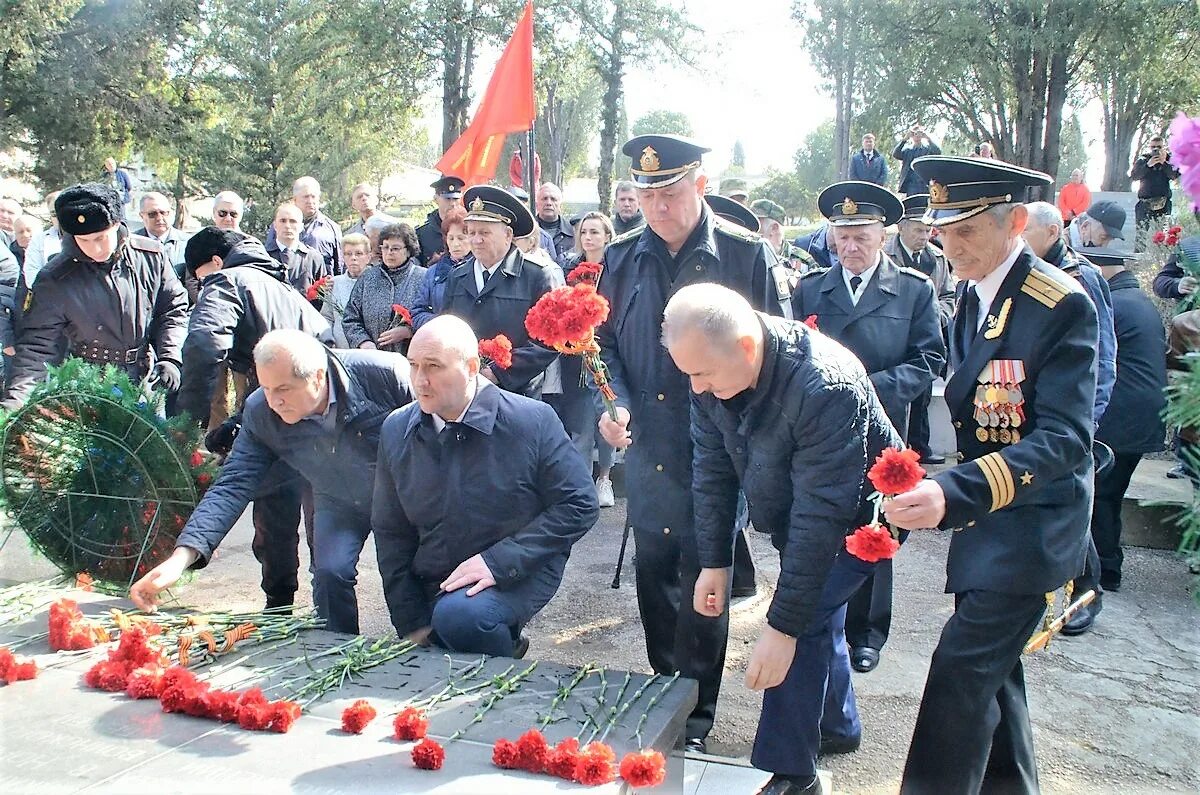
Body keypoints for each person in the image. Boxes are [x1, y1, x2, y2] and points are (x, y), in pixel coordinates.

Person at [882, 156, 1097, 794]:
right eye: (943, 229)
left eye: (966, 230)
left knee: (961, 673)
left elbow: (1066, 438)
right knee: (996, 675)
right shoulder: (973, 295)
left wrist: (954, 490)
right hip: (988, 521)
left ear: (1017, 223)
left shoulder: (1059, 305)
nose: (949, 245)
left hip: (1031, 525)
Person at [596, 133, 791, 753]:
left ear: (700, 186)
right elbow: (601, 344)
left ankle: (697, 716)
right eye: (647, 194)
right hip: (649, 443)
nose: (658, 206)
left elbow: (777, 350)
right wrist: (615, 401)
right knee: (656, 577)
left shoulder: (743, 255)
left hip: (719, 448)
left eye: (671, 192)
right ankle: (666, 688)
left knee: (705, 573)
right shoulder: (623, 257)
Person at [673, 284, 901, 795]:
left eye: (703, 374)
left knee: (804, 620)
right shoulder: (710, 372)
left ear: (747, 348)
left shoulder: (825, 385)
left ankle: (792, 771)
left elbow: (823, 517)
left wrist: (780, 628)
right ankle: (838, 726)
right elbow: (711, 469)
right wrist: (715, 559)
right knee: (818, 615)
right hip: (795, 507)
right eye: (688, 373)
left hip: (861, 516)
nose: (697, 388)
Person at [130, 330, 414, 633]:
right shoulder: (260, 410)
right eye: (266, 388)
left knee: (406, 580)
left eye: (283, 389)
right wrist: (181, 558)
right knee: (330, 573)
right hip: (337, 499)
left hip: (400, 498)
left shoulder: (386, 376)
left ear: (318, 378)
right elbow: (233, 483)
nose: (274, 401)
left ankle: (420, 657)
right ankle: (336, 650)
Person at [373, 316, 597, 656]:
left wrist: (498, 561)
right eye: (414, 365)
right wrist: (411, 623)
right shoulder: (396, 428)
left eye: (434, 367)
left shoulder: (531, 421)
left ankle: (506, 662)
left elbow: (579, 504)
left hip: (518, 565)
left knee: (461, 618)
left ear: (472, 366)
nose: (420, 380)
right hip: (435, 567)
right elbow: (391, 530)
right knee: (434, 641)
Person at [793, 182, 944, 674]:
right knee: (820, 523)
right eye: (842, 236)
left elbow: (929, 358)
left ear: (884, 234)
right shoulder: (812, 289)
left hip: (883, 432)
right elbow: (794, 354)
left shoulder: (913, 289)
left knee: (877, 524)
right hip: (820, 433)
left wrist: (868, 387)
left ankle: (867, 631)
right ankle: (818, 616)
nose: (851, 247)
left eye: (861, 235)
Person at [175, 229, 332, 610]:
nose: (199, 287)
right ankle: (330, 617)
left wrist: (186, 426)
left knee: (273, 506)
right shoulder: (284, 288)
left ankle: (279, 606)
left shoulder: (227, 280)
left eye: (197, 277)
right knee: (322, 519)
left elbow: (205, 343)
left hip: (283, 405)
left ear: (213, 263)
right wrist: (242, 417)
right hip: (318, 407)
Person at [3, 183, 188, 409]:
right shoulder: (55, 277)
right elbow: (37, 349)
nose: (96, 249)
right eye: (85, 241)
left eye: (101, 237)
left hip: (146, 380)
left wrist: (169, 356)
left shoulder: (150, 257)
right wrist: (14, 411)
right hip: (86, 385)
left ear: (117, 225)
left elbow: (172, 310)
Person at [1074, 248, 1166, 597]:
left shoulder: (1113, 305)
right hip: (1143, 414)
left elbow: (1101, 363)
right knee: (1108, 496)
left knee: (1098, 498)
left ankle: (1102, 574)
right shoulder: (1138, 300)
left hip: (1121, 416)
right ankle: (1107, 568)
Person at [440, 186, 558, 396]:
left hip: (517, 393)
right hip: (464, 388)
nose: (476, 240)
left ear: (508, 234)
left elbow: (549, 341)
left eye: (484, 232)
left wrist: (497, 372)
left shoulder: (537, 275)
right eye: (472, 232)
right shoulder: (457, 276)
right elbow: (446, 329)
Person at [1023, 201, 1117, 428]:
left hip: (1068, 419)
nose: (1017, 237)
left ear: (1052, 232)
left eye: (1025, 229)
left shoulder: (1080, 276)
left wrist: (1088, 421)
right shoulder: (1024, 271)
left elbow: (1102, 354)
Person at [884, 193, 957, 464]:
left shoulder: (937, 257)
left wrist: (937, 318)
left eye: (928, 230)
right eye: (918, 229)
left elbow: (948, 295)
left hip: (926, 338)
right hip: (894, 338)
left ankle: (920, 449)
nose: (924, 236)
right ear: (902, 228)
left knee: (922, 397)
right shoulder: (885, 255)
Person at [555, 211, 617, 507]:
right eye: (584, 232)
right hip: (576, 357)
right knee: (580, 425)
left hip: (608, 354)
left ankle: (604, 478)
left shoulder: (617, 268)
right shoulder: (569, 267)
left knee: (607, 420)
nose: (589, 238)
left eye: (595, 232)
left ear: (607, 235)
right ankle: (581, 486)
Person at [343, 223, 427, 355]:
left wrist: (410, 331)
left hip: (411, 358)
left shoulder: (423, 277)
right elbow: (350, 318)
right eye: (385, 247)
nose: (389, 253)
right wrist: (363, 342)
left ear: (408, 250)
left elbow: (434, 318)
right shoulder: (368, 277)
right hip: (372, 358)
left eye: (395, 248)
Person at [266, 177, 342, 276]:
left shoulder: (332, 229)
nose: (310, 201)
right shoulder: (279, 225)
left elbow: (339, 266)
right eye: (306, 197)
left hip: (320, 286)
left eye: (313, 197)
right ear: (295, 199)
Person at [412, 205, 471, 330]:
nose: (455, 244)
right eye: (451, 238)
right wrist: (441, 322)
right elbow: (417, 312)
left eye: (461, 238)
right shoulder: (433, 273)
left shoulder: (481, 268)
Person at [266, 202, 328, 294]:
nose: (287, 226)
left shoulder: (314, 258)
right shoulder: (263, 256)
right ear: (275, 225)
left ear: (301, 226)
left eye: (293, 221)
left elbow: (323, 296)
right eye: (283, 221)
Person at [323, 232, 371, 348]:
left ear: (368, 257)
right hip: (340, 350)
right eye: (348, 254)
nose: (353, 258)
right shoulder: (334, 283)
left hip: (368, 349)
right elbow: (327, 316)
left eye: (359, 254)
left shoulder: (376, 282)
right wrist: (328, 339)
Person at [1129, 134, 1180, 237]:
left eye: (1159, 147)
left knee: (1163, 236)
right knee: (1141, 236)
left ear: (1164, 147)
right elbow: (1134, 176)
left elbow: (1175, 175)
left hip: (1163, 204)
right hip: (1144, 203)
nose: (1156, 150)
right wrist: (1148, 165)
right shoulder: (1143, 159)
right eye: (1153, 147)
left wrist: (1164, 163)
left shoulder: (1170, 159)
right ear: (1149, 147)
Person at [134, 192, 190, 278]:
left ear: (170, 212)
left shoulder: (188, 243)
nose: (159, 218)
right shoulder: (131, 243)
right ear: (142, 216)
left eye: (163, 213)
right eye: (152, 214)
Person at [751, 200, 815, 272]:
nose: (748, 230)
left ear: (774, 228)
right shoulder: (745, 256)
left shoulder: (804, 262)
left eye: (754, 225)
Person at [416, 175, 465, 265]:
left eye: (456, 198)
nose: (453, 203)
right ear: (436, 199)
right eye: (447, 199)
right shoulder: (422, 234)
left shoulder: (470, 228)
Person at [892, 123, 942, 195]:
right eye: (915, 134)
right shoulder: (908, 150)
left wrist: (928, 138)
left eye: (920, 134)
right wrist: (904, 139)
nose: (918, 136)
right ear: (912, 136)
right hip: (911, 184)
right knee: (912, 203)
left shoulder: (927, 149)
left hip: (925, 183)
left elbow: (938, 152)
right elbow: (896, 154)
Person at [535, 182, 575, 260]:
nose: (549, 203)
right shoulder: (527, 231)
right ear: (537, 204)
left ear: (560, 205)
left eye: (553, 199)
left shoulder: (573, 233)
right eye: (544, 198)